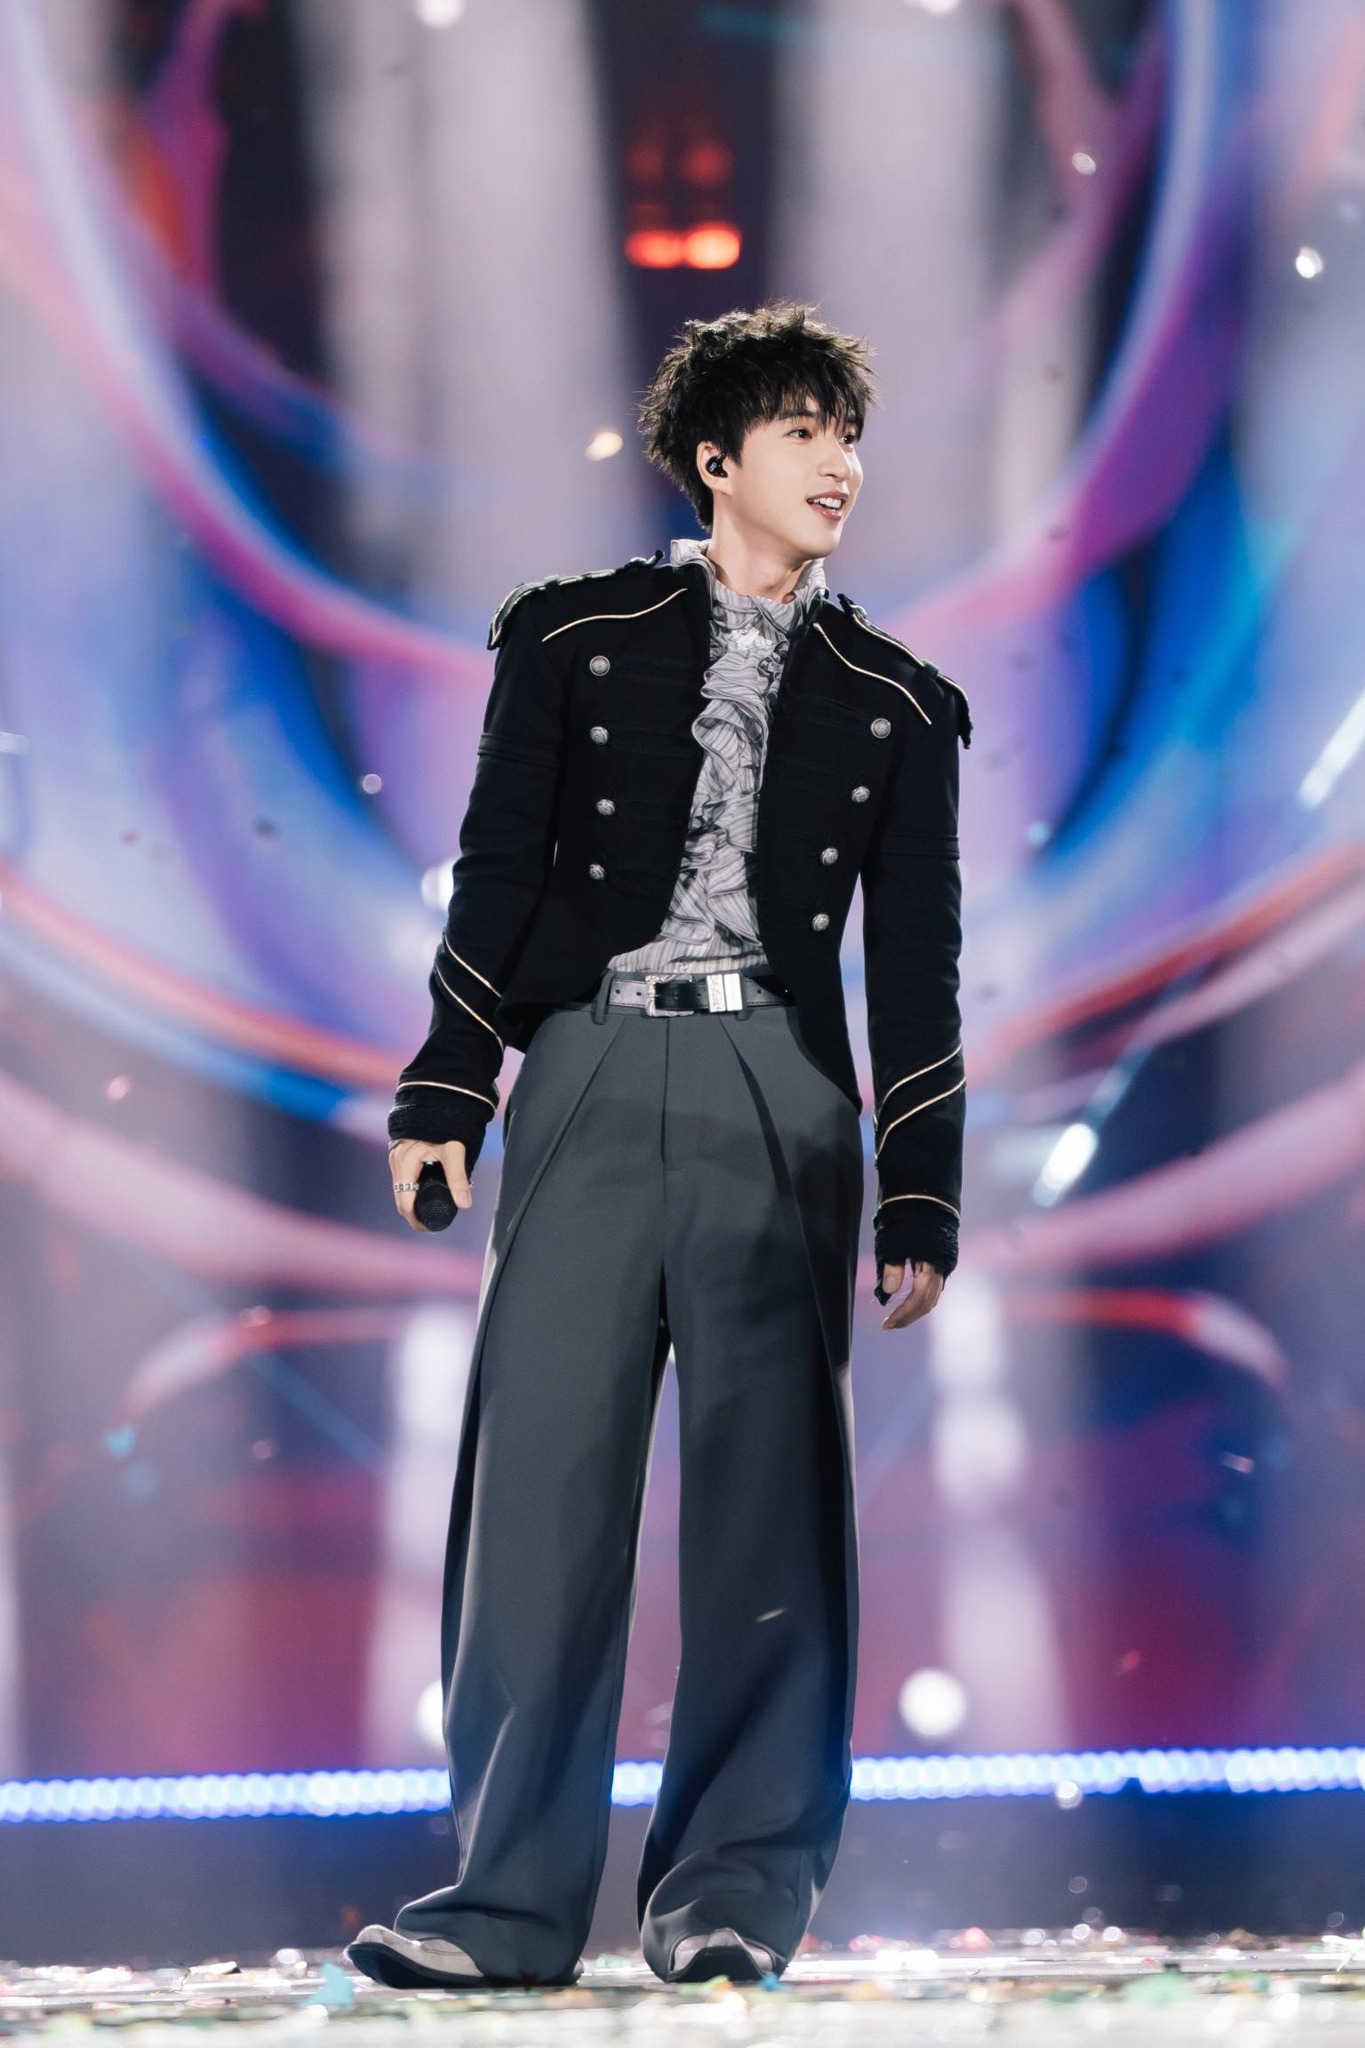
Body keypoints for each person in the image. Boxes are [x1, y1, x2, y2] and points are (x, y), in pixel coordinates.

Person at [346, 302, 971, 1991]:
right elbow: (498, 867)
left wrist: (921, 1185)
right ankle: (502, 1906)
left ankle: (732, 1896)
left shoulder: (898, 701)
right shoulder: (573, 635)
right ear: (714, 457)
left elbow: (917, 966)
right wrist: (445, 1085)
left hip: (782, 1085)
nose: (838, 464)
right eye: (801, 431)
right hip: (592, 1064)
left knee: (772, 1508)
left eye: (848, 435)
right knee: (538, 1495)